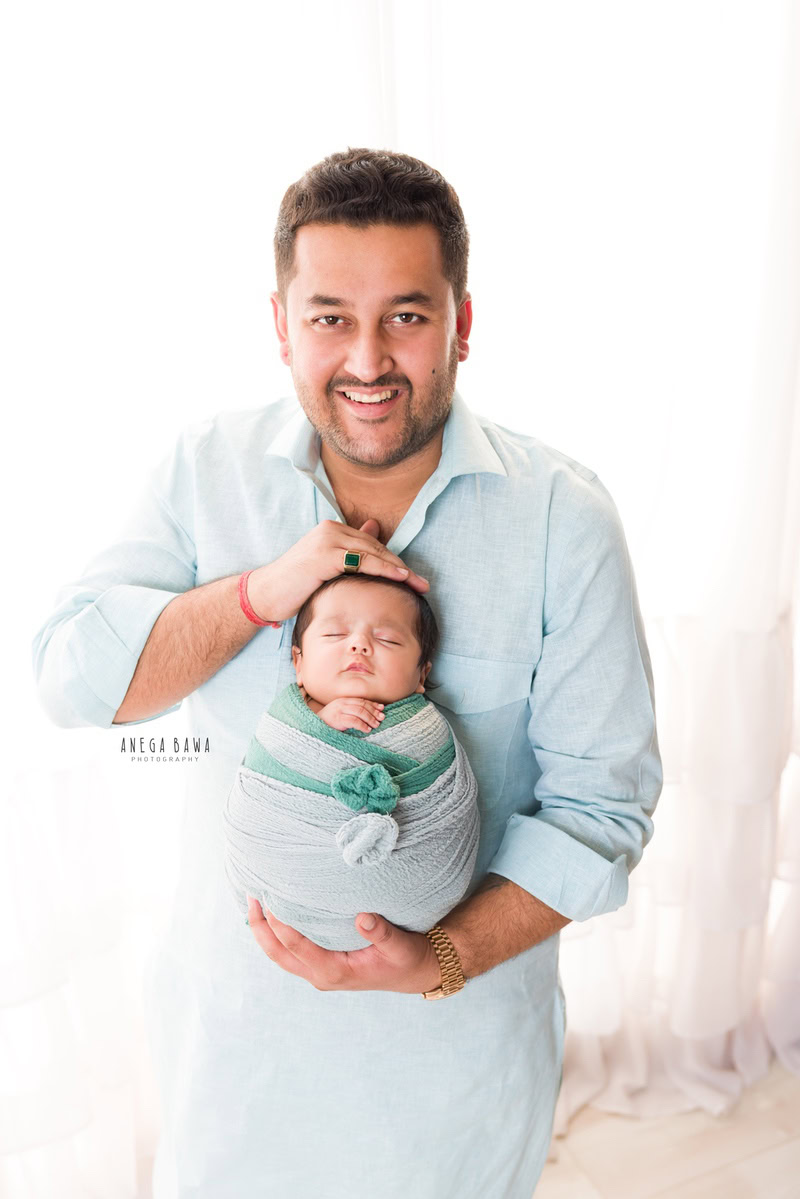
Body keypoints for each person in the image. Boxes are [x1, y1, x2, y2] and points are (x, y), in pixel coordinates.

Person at [31, 146, 663, 1198]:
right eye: (328, 316)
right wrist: (258, 593)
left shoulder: (564, 517)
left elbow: (603, 805)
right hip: (236, 1054)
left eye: (406, 316)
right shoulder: (205, 471)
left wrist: (442, 957)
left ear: (461, 322)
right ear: (280, 323)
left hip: (453, 1072)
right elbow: (73, 681)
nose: (366, 358)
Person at [222, 571, 481, 955]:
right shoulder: (285, 725)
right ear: (298, 661)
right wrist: (319, 726)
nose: (359, 645)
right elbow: (267, 766)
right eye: (334, 635)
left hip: (419, 911)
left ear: (422, 673)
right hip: (281, 889)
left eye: (388, 639)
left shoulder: (424, 731)